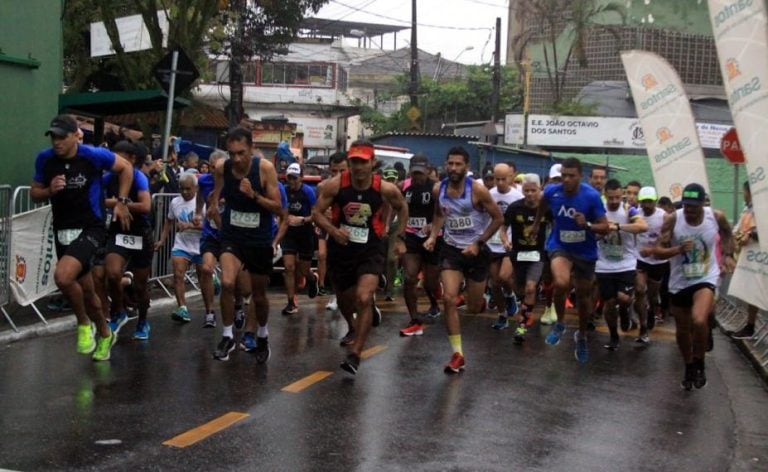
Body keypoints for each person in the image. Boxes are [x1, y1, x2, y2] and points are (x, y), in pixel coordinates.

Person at [31, 114, 133, 361]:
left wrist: (121, 202)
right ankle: (105, 333)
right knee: (87, 291)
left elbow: (126, 168)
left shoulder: (92, 155)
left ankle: (83, 323)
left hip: (91, 228)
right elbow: (34, 192)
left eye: (62, 137)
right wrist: (48, 190)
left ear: (74, 135)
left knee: (63, 277)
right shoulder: (45, 159)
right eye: (53, 137)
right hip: (63, 230)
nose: (57, 142)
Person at [312, 141, 408, 375]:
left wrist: (400, 238)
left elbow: (402, 207)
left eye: (363, 161)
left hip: (370, 248)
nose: (358, 167)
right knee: (345, 298)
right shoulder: (335, 186)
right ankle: (354, 327)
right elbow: (316, 213)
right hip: (341, 249)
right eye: (354, 161)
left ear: (372, 163)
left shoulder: (384, 188)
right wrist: (334, 231)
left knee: (363, 297)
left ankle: (356, 353)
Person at [424, 146, 503, 373]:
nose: (453, 168)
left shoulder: (477, 191)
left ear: (466, 167)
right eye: (450, 163)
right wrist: (432, 236)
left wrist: (478, 243)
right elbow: (440, 214)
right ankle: (457, 354)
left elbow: (498, 218)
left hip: (476, 252)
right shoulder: (439, 189)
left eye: (458, 164)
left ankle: (480, 299)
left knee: (474, 307)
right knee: (449, 299)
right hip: (451, 250)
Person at [208, 128, 283, 362]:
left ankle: (262, 335)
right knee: (228, 282)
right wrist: (214, 212)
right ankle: (228, 335)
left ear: (251, 148)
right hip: (233, 235)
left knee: (258, 294)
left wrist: (254, 196)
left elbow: (278, 208)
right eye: (232, 154)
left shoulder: (264, 169)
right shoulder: (223, 168)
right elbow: (216, 195)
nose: (237, 159)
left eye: (241, 153)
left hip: (259, 238)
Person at [654, 183, 735, 390]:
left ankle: (699, 362)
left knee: (699, 320)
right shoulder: (673, 220)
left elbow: (727, 233)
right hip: (680, 281)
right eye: (686, 206)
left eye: (694, 206)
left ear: (702, 205)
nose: (689, 210)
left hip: (705, 277)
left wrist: (727, 255)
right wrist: (678, 249)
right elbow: (658, 251)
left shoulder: (715, 217)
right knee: (682, 330)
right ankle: (689, 365)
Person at [533, 157, 610, 363]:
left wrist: (587, 225)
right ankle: (560, 323)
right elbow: (542, 204)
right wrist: (537, 223)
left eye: (571, 176)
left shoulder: (591, 196)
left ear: (580, 176)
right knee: (561, 282)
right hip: (561, 245)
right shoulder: (552, 191)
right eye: (564, 175)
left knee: (584, 299)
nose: (566, 180)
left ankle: (582, 335)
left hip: (585, 250)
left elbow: (605, 226)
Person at [103, 141, 154, 340]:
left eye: (120, 158)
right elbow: (98, 198)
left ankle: (143, 320)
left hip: (140, 232)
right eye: (113, 158)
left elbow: (146, 206)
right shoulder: (110, 177)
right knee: (112, 273)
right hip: (118, 230)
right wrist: (118, 203)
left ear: (132, 159)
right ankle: (119, 311)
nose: (116, 162)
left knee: (140, 285)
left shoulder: (139, 177)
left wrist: (120, 203)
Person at [596, 179, 647, 350]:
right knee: (609, 303)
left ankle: (625, 310)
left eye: (618, 197)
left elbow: (642, 226)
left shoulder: (628, 209)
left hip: (626, 263)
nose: (614, 202)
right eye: (611, 198)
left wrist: (618, 226)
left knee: (624, 298)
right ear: (605, 195)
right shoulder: (598, 209)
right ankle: (613, 336)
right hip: (603, 264)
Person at [502, 173, 548, 343]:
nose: (529, 194)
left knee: (530, 288)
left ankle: (521, 327)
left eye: (533, 190)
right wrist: (505, 240)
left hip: (537, 254)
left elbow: (555, 226)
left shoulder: (545, 208)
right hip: (518, 253)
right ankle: (526, 310)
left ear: (539, 190)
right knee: (521, 290)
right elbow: (503, 227)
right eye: (526, 190)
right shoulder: (515, 207)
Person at [399, 154, 441, 336]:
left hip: (433, 238)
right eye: (415, 173)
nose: (418, 177)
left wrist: (433, 227)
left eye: (421, 173)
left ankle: (434, 302)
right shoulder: (404, 187)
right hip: (411, 237)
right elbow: (396, 207)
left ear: (428, 171)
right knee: (409, 278)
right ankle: (414, 318)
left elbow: (444, 212)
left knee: (430, 283)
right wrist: (395, 232)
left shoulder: (435, 189)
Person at [154, 172, 204, 323]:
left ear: (195, 188)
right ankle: (182, 308)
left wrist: (189, 225)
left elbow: (210, 227)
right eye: (182, 188)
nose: (184, 192)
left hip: (201, 245)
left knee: (204, 277)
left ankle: (209, 309)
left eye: (188, 189)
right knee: (178, 275)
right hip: (181, 244)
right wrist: (162, 240)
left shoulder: (202, 202)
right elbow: (169, 221)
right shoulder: (175, 202)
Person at [277, 162, 319, 314]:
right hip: (289, 233)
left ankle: (312, 278)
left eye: (295, 178)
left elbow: (315, 215)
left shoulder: (308, 192)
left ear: (301, 177)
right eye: (289, 178)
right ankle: (291, 302)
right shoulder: (284, 191)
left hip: (305, 232)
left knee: (302, 270)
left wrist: (302, 219)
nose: (292, 181)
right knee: (288, 267)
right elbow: (280, 211)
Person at [486, 164, 524, 330]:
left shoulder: (517, 196)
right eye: (497, 179)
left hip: (510, 242)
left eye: (504, 179)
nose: (500, 182)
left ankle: (510, 295)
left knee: (503, 277)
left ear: (511, 177)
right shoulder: (488, 194)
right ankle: (502, 315)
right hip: (491, 244)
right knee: (494, 283)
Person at [196, 150, 229, 329]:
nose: (217, 171)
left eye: (220, 168)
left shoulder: (233, 182)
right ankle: (209, 312)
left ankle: (238, 306)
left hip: (229, 234)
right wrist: (197, 212)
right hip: (211, 233)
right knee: (207, 269)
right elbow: (200, 197)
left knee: (229, 279)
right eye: (214, 168)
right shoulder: (203, 181)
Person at [634, 186, 669, 336]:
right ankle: (642, 323)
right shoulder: (636, 214)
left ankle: (650, 310)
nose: (646, 205)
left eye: (649, 201)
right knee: (640, 290)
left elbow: (667, 236)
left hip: (658, 261)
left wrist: (654, 249)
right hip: (640, 258)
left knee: (653, 295)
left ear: (655, 201)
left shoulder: (664, 216)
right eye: (644, 202)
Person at [539, 163, 563, 325]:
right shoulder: (543, 197)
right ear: (548, 180)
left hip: (566, 245)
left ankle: (558, 306)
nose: (559, 183)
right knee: (547, 277)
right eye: (555, 179)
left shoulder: (574, 197)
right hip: (547, 243)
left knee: (562, 279)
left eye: (561, 179)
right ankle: (549, 306)